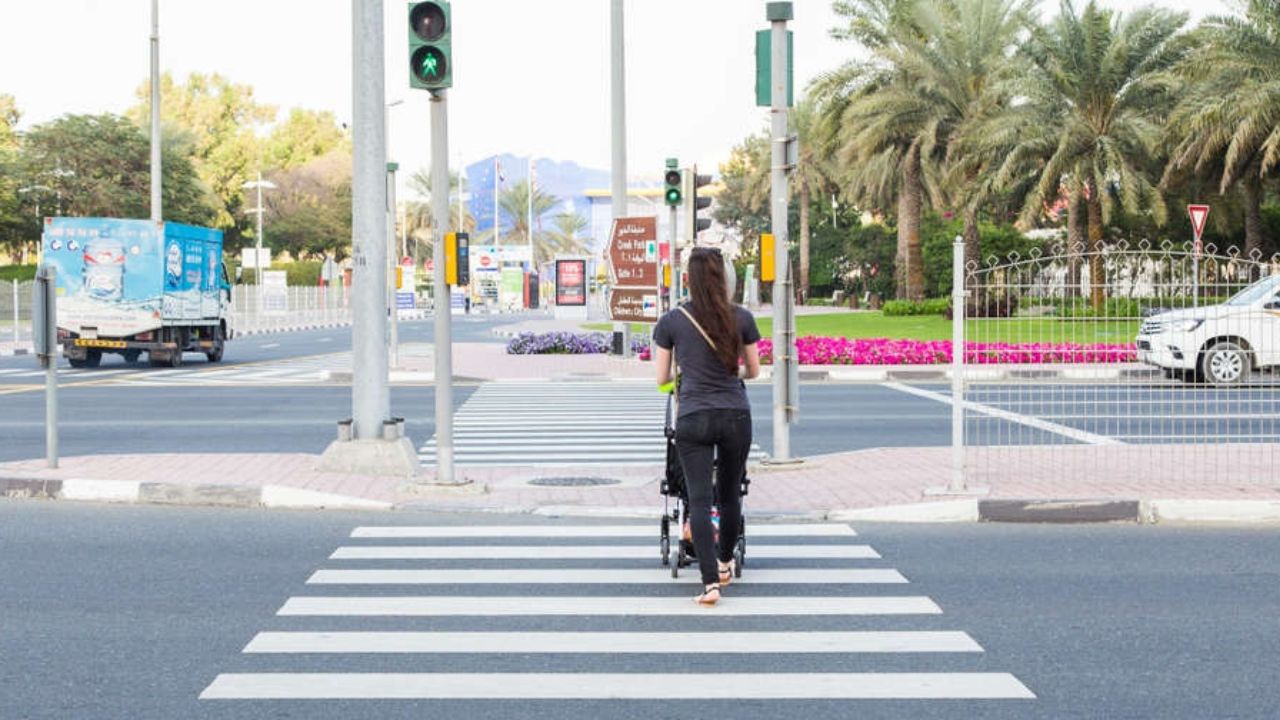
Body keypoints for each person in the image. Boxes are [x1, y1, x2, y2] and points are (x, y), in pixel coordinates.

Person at [652, 247, 761, 606]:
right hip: (735, 415)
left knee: (698, 500)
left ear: (689, 279)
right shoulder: (741, 317)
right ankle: (726, 563)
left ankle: (710, 583)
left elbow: (662, 378)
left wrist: (688, 372)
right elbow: (753, 371)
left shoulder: (671, 321)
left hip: (693, 417)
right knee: (729, 496)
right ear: (723, 278)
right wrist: (730, 371)